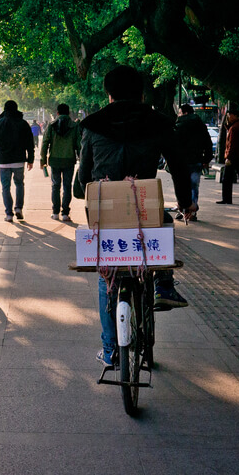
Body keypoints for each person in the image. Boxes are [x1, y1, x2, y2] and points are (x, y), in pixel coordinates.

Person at [73, 66, 197, 367]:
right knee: (165, 223)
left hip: (106, 216)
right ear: (142, 93)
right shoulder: (159, 122)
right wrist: (186, 203)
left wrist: (83, 189)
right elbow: (179, 166)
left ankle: (111, 349)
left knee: (107, 278)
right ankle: (164, 286)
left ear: (108, 93)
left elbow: (82, 180)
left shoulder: (92, 125)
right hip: (145, 212)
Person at [0, 99, 34, 222]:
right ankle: (19, 208)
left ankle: (9, 214)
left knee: (5, 187)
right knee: (19, 184)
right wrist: (30, 159)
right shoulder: (23, 123)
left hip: (3, 160)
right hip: (19, 160)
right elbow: (29, 143)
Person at [40, 104, 81, 222]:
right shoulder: (74, 126)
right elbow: (79, 145)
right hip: (69, 160)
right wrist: (81, 159)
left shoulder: (51, 126)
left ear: (57, 113)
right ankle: (65, 213)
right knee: (67, 186)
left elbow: (45, 143)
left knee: (55, 186)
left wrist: (43, 159)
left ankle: (55, 212)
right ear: (68, 113)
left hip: (54, 160)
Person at [173, 104, 214, 219]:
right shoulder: (200, 125)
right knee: (193, 186)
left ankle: (183, 209)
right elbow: (208, 143)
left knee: (181, 186)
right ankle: (192, 211)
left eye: (180, 113)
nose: (178, 115)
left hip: (181, 162)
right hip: (196, 161)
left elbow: (173, 144)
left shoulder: (179, 125)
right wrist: (206, 159)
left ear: (185, 113)